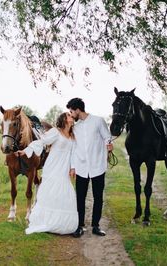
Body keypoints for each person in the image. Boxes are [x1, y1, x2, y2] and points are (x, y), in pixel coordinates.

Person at [15, 112, 78, 235]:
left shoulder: (72, 135)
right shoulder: (56, 132)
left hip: (64, 167)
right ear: (64, 119)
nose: (72, 117)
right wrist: (26, 150)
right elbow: (42, 141)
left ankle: (62, 223)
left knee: (64, 191)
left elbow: (73, 153)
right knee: (51, 190)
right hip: (53, 166)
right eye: (69, 115)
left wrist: (73, 168)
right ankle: (47, 221)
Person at [66, 98, 113, 238]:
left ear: (78, 109)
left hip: (97, 165)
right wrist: (73, 167)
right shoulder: (75, 127)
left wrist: (109, 145)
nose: (71, 114)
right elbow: (74, 147)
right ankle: (79, 226)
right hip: (81, 167)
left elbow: (107, 137)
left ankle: (96, 226)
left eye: (71, 111)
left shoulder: (98, 121)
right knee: (80, 197)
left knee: (98, 197)